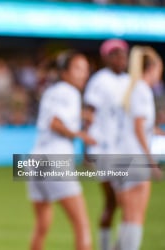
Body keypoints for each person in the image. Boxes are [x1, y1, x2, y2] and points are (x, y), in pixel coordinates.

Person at [28, 50, 96, 250]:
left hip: (35, 159)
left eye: (85, 69)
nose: (84, 74)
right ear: (64, 72)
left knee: (41, 226)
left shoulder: (52, 90)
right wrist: (79, 134)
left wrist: (82, 116)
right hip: (55, 160)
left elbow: (53, 116)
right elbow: (55, 122)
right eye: (78, 68)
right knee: (82, 225)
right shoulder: (70, 92)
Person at [113, 46, 163, 250]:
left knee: (128, 215)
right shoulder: (142, 90)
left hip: (122, 157)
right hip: (135, 158)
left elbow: (143, 126)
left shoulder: (132, 88)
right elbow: (138, 128)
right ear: (151, 68)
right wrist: (151, 161)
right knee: (136, 215)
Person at [83, 38, 130, 250]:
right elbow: (89, 114)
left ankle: (117, 245)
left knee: (123, 203)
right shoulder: (99, 81)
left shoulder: (130, 81)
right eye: (116, 54)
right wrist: (86, 149)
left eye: (123, 55)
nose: (121, 59)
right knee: (116, 200)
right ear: (106, 57)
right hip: (103, 150)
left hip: (124, 150)